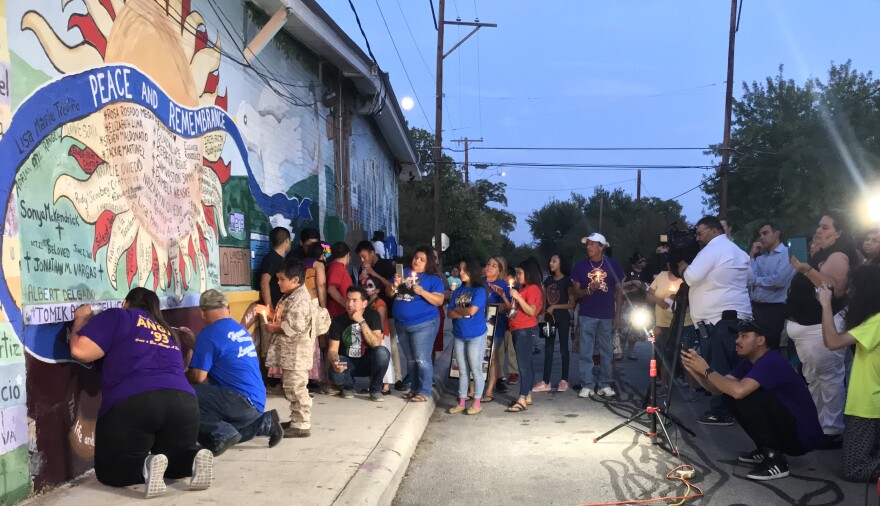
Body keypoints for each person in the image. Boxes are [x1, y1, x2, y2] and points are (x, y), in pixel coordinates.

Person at [69, 288, 213, 498]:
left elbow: (80, 351)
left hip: (136, 400)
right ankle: (194, 458)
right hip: (184, 402)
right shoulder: (167, 330)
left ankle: (144, 466)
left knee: (111, 469)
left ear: (125, 303)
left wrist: (81, 320)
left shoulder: (120, 316)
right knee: (173, 462)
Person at [681, 319, 822, 481]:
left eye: (744, 336)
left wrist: (706, 369)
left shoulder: (772, 360)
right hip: (790, 429)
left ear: (760, 340)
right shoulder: (749, 362)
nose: (737, 341)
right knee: (729, 393)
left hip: (802, 437)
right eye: (738, 336)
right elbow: (717, 389)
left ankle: (775, 460)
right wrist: (694, 370)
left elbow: (739, 391)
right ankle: (765, 449)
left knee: (742, 393)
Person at [787, 211, 856, 447]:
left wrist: (806, 270)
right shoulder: (822, 255)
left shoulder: (839, 255)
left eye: (826, 227)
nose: (819, 230)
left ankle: (832, 430)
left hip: (820, 327)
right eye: (819, 226)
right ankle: (818, 425)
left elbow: (833, 288)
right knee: (815, 379)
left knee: (829, 379)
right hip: (806, 328)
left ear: (839, 233)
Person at [186, 290, 283, 455]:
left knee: (185, 393)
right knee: (234, 434)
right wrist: (195, 345)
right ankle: (264, 423)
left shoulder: (209, 334)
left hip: (237, 401)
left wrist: (179, 377)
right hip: (256, 401)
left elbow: (198, 376)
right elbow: (221, 356)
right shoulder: (239, 329)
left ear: (202, 313)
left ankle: (220, 432)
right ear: (228, 308)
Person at [679, 216, 753, 426]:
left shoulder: (713, 248)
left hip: (718, 319)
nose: (697, 237)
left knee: (718, 366)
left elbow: (692, 277)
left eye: (700, 233)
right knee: (736, 367)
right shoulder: (737, 251)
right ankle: (739, 410)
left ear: (714, 231)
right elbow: (751, 278)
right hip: (739, 318)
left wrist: (684, 268)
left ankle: (721, 411)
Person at [818, 265, 880, 481]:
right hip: (868, 402)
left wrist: (825, 304)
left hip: (868, 405)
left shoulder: (877, 321)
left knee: (854, 468)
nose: (849, 291)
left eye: (853, 286)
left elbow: (833, 342)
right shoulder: (872, 320)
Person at [258, 259, 330, 438]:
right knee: (291, 386)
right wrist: (270, 315)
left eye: (282, 279)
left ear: (295, 280)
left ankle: (301, 424)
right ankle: (296, 418)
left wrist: (271, 326)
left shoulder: (300, 300)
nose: (279, 283)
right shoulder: (292, 295)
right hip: (291, 353)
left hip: (297, 353)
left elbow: (292, 327)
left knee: (296, 387)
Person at [387, 247, 445, 402]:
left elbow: (439, 300)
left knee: (422, 358)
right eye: (416, 257)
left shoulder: (432, 279)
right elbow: (389, 292)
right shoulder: (403, 273)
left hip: (423, 324)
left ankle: (425, 391)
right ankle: (414, 388)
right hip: (402, 324)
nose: (417, 261)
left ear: (429, 263)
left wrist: (422, 292)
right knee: (411, 359)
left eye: (422, 259)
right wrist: (394, 285)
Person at [572, 232, 625, 399]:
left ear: (602, 247)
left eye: (592, 244)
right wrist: (589, 289)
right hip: (587, 313)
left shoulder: (613, 265)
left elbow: (619, 292)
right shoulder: (580, 266)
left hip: (607, 314)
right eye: (587, 244)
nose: (588, 247)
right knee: (586, 351)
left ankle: (604, 383)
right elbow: (575, 292)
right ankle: (587, 384)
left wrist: (618, 315)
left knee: (606, 351)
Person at [327, 287, 391, 401]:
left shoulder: (373, 316)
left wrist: (361, 321)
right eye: (347, 300)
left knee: (382, 352)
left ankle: (376, 389)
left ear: (364, 303)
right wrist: (335, 361)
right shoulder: (337, 321)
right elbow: (332, 350)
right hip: (348, 362)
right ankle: (348, 387)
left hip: (368, 361)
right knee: (334, 372)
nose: (350, 304)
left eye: (354, 300)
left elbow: (376, 343)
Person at [447, 258, 489, 415]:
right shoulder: (458, 290)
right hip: (459, 335)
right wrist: (462, 310)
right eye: (460, 269)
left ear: (473, 271)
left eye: (464, 269)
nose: (461, 272)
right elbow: (449, 313)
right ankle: (462, 401)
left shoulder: (479, 291)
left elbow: (472, 312)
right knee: (462, 371)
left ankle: (477, 402)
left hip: (476, 335)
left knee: (475, 369)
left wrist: (459, 309)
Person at [355, 240, 398, 390]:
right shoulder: (363, 269)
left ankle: (394, 380)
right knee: (372, 349)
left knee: (389, 347)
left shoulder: (386, 265)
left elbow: (392, 285)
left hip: (387, 311)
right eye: (360, 258)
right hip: (369, 311)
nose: (362, 260)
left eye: (364, 256)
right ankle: (376, 381)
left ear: (372, 253)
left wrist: (373, 274)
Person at [647, 263, 696, 386]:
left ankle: (691, 388)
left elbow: (697, 297)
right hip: (663, 324)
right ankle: (664, 385)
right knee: (665, 356)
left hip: (684, 323)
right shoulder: (661, 276)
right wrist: (659, 300)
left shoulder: (689, 277)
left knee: (686, 356)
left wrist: (681, 298)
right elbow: (649, 295)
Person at [748, 222, 796, 347]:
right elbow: (749, 277)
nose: (761, 237)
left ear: (777, 233)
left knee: (771, 347)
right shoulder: (761, 257)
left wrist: (757, 280)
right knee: (756, 348)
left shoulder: (787, 253)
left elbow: (778, 280)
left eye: (765, 233)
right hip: (756, 308)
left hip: (775, 310)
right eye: (760, 235)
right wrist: (752, 255)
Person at [505, 260, 544, 413]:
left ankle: (522, 398)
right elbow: (515, 310)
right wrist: (507, 296)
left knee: (524, 365)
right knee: (527, 364)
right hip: (518, 329)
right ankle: (527, 395)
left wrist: (518, 297)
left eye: (520, 273)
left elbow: (532, 311)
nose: (517, 276)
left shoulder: (533, 288)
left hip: (525, 330)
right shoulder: (524, 289)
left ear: (528, 273)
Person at [533, 253, 574, 393]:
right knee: (548, 349)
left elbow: (571, 304)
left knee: (563, 349)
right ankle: (546, 381)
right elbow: (545, 299)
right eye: (550, 260)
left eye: (554, 261)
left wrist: (555, 307)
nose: (551, 263)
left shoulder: (567, 281)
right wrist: (543, 313)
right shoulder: (548, 280)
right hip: (549, 318)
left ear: (561, 264)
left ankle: (564, 380)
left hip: (562, 317)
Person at [482, 256, 512, 402]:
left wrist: (494, 306)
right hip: (478, 325)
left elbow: (507, 308)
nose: (489, 267)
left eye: (494, 266)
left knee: (492, 355)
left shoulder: (503, 286)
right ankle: (474, 387)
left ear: (500, 270)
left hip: (495, 326)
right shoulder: (479, 283)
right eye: (488, 264)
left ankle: (490, 390)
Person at [364, 277, 394, 394]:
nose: (367, 288)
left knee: (383, 359)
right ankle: (375, 383)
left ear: (377, 290)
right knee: (375, 360)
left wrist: (379, 335)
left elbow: (381, 321)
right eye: (366, 285)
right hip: (371, 335)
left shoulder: (380, 303)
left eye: (370, 286)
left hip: (381, 335)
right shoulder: (368, 302)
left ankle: (386, 386)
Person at [619, 251, 651, 361]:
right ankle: (620, 352)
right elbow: (619, 284)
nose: (643, 263)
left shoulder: (646, 271)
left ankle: (631, 352)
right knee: (624, 329)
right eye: (640, 261)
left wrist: (641, 285)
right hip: (628, 303)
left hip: (641, 303)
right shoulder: (627, 270)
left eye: (644, 261)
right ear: (634, 262)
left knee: (635, 330)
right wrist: (632, 282)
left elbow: (649, 287)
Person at [326, 242, 353, 318]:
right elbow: (331, 289)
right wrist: (346, 305)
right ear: (347, 255)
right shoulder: (337, 268)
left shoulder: (336, 267)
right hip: (339, 313)